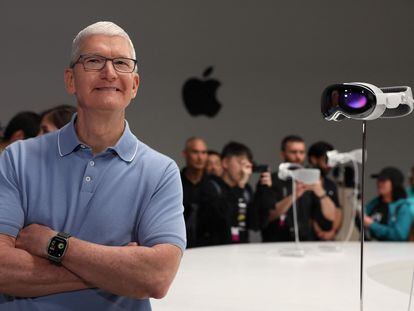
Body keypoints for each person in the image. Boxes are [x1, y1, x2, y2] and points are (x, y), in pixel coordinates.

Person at [0, 21, 186, 310]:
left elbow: (156, 277)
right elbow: (2, 269)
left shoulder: (161, 172)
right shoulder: (17, 158)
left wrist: (53, 243)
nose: (109, 72)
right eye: (94, 61)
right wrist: (115, 270)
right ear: (70, 80)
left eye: (122, 63)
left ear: (134, 85)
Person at [257, 135, 336, 242]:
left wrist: (320, 192)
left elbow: (331, 216)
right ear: (283, 154)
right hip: (276, 243)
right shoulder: (271, 180)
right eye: (293, 152)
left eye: (302, 152)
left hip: (305, 243)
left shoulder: (310, 180)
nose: (298, 157)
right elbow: (266, 216)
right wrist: (294, 195)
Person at [197, 142, 263, 246]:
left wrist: (263, 189)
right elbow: (218, 218)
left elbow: (256, 225)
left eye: (247, 164)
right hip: (214, 251)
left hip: (242, 249)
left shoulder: (246, 190)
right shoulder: (211, 186)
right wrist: (239, 187)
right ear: (225, 163)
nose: (244, 169)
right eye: (241, 163)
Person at [361, 167, 412, 241]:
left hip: (393, 251)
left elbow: (399, 235)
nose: (379, 183)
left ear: (394, 183)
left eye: (383, 181)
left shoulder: (403, 208)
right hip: (371, 248)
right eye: (378, 180)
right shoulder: (374, 203)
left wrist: (372, 225)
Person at [307, 141, 342, 241]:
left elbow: (337, 210)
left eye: (332, 161)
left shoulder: (331, 185)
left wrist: (333, 231)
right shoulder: (302, 182)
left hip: (327, 241)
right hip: (306, 240)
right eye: (326, 160)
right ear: (313, 159)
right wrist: (316, 229)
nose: (330, 165)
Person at [181, 137, 208, 248]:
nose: (200, 157)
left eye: (203, 152)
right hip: (180, 246)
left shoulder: (214, 186)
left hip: (209, 248)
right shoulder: (175, 182)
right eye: (195, 152)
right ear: (185, 154)